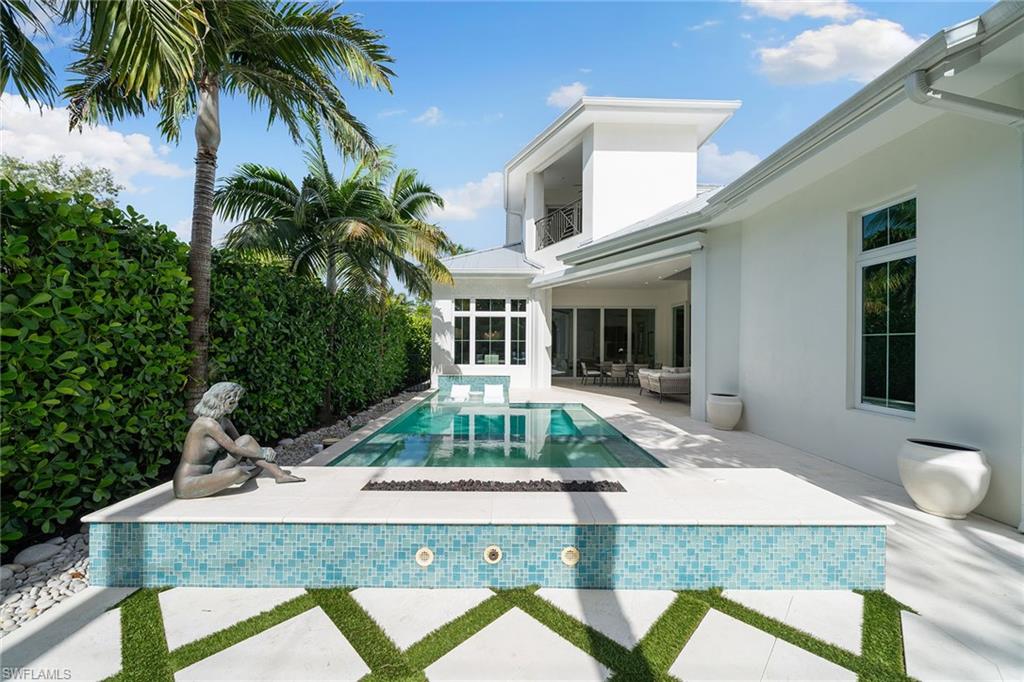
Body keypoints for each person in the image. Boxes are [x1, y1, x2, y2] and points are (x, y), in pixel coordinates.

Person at [173, 382, 304, 499]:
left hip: (211, 471)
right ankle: (248, 473)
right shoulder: (207, 424)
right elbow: (233, 449)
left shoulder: (224, 421)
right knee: (238, 472)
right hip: (188, 482)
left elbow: (242, 445)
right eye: (234, 401)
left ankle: (279, 474)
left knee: (247, 439)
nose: (236, 404)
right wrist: (263, 453)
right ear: (224, 401)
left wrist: (260, 453)